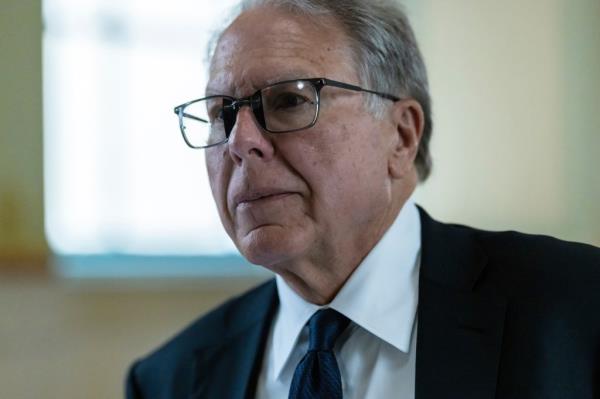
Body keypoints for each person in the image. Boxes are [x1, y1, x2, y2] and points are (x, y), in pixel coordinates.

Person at [126, 1, 600, 398]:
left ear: (401, 135)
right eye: (220, 114)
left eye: (289, 99)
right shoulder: (169, 381)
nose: (239, 141)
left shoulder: (577, 309)